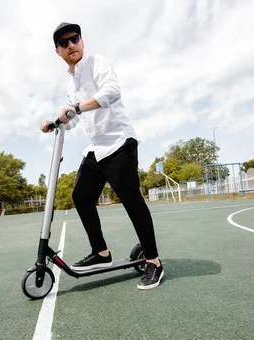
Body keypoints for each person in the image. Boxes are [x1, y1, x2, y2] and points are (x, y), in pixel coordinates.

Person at [40, 22, 164, 290]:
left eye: (75, 38)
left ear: (82, 41)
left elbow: (111, 92)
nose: (71, 44)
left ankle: (153, 262)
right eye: (64, 42)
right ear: (57, 51)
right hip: (97, 149)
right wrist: (55, 122)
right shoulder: (71, 84)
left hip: (119, 143)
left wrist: (75, 108)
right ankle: (101, 254)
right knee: (81, 196)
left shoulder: (98, 63)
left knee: (132, 201)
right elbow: (73, 119)